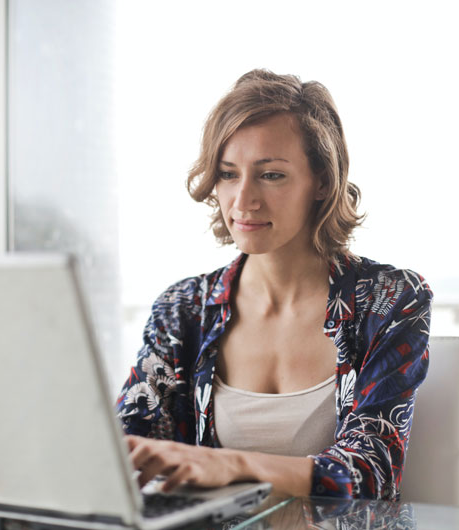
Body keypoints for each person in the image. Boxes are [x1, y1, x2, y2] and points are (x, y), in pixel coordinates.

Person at [116, 69, 432, 500]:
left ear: (322, 182)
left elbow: (372, 472)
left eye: (271, 175)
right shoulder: (184, 309)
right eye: (228, 174)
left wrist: (232, 464)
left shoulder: (389, 300)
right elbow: (124, 449)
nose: (243, 200)